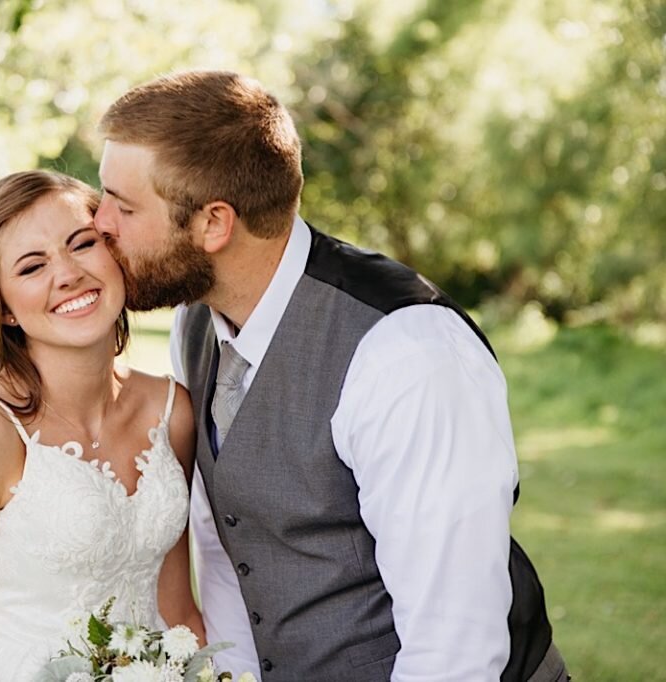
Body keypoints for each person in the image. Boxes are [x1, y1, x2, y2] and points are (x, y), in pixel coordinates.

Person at [94, 70, 567, 681]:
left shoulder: (406, 356)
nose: (98, 221)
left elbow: (456, 648)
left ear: (214, 223)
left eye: (123, 205)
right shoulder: (197, 322)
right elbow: (227, 550)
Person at [0, 170, 203, 681]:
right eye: (32, 267)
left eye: (82, 243)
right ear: (5, 308)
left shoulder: (171, 411)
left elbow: (178, 615)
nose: (68, 273)